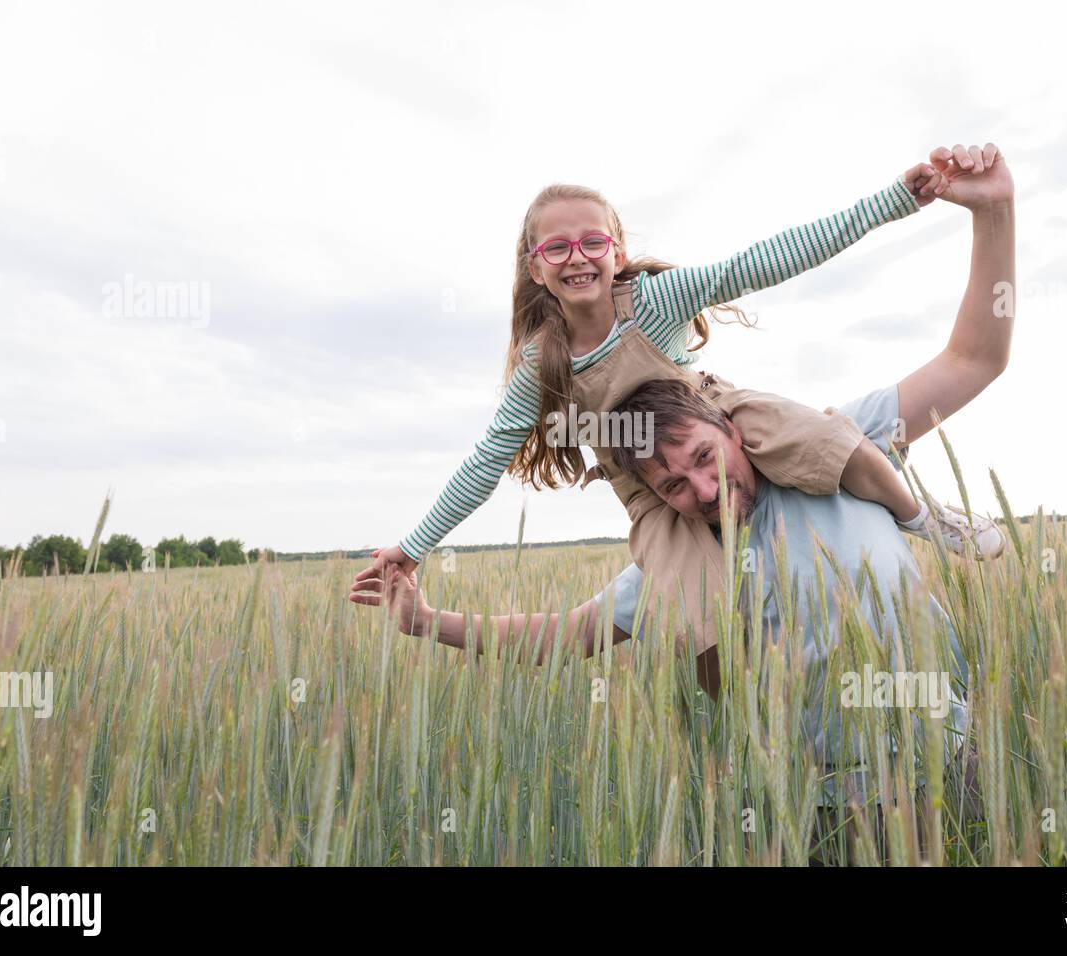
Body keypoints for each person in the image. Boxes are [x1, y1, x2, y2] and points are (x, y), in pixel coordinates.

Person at [351, 146, 1014, 862]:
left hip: (949, 763)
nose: (704, 493)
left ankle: (925, 517)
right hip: (828, 808)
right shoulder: (570, 409)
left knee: (843, 446)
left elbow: (783, 267)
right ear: (534, 265)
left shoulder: (796, 434)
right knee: (704, 631)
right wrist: (419, 590)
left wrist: (924, 203)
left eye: (706, 460)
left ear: (618, 249)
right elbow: (563, 625)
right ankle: (755, 731)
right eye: (557, 246)